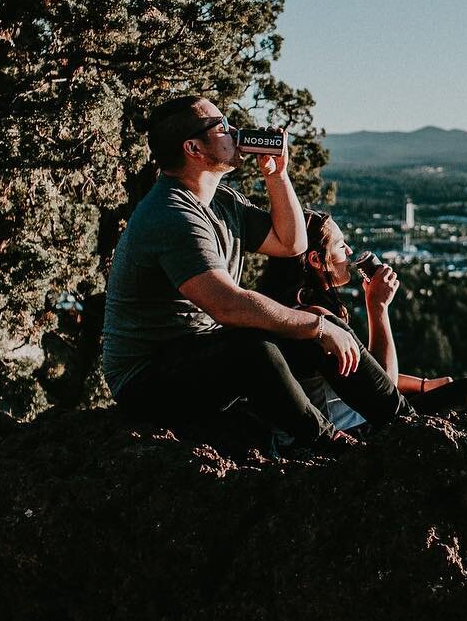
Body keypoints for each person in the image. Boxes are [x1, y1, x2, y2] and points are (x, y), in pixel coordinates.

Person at [101, 96, 412, 449]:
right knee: (256, 348)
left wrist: (277, 175)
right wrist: (317, 327)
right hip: (146, 380)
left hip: (198, 354)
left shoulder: (221, 202)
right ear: (193, 148)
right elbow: (228, 307)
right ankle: (330, 447)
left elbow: (291, 242)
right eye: (222, 127)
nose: (236, 131)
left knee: (318, 321)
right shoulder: (171, 215)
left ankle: (403, 424)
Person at [260, 210, 467, 424]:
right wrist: (378, 307)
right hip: (349, 434)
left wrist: (423, 385)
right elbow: (383, 388)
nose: (349, 252)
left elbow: (362, 371)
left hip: (343, 422)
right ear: (316, 260)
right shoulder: (316, 324)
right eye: (341, 246)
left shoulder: (281, 311)